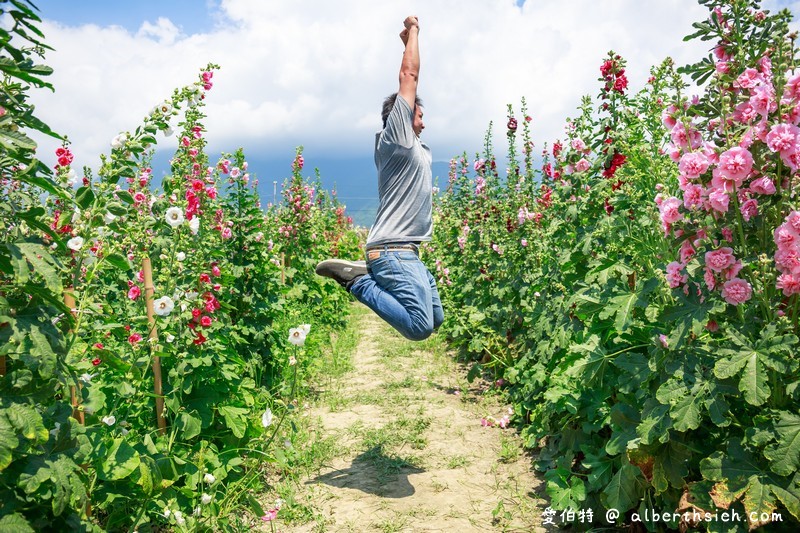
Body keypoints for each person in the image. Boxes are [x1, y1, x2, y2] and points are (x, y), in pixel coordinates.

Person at [316, 15, 444, 341]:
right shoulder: (396, 138)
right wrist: (413, 33)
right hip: (392, 251)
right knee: (419, 327)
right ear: (402, 116)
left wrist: (406, 45)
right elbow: (409, 76)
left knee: (436, 318)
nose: (424, 123)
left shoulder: (413, 146)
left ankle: (364, 276)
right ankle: (357, 281)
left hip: (407, 251)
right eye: (419, 114)